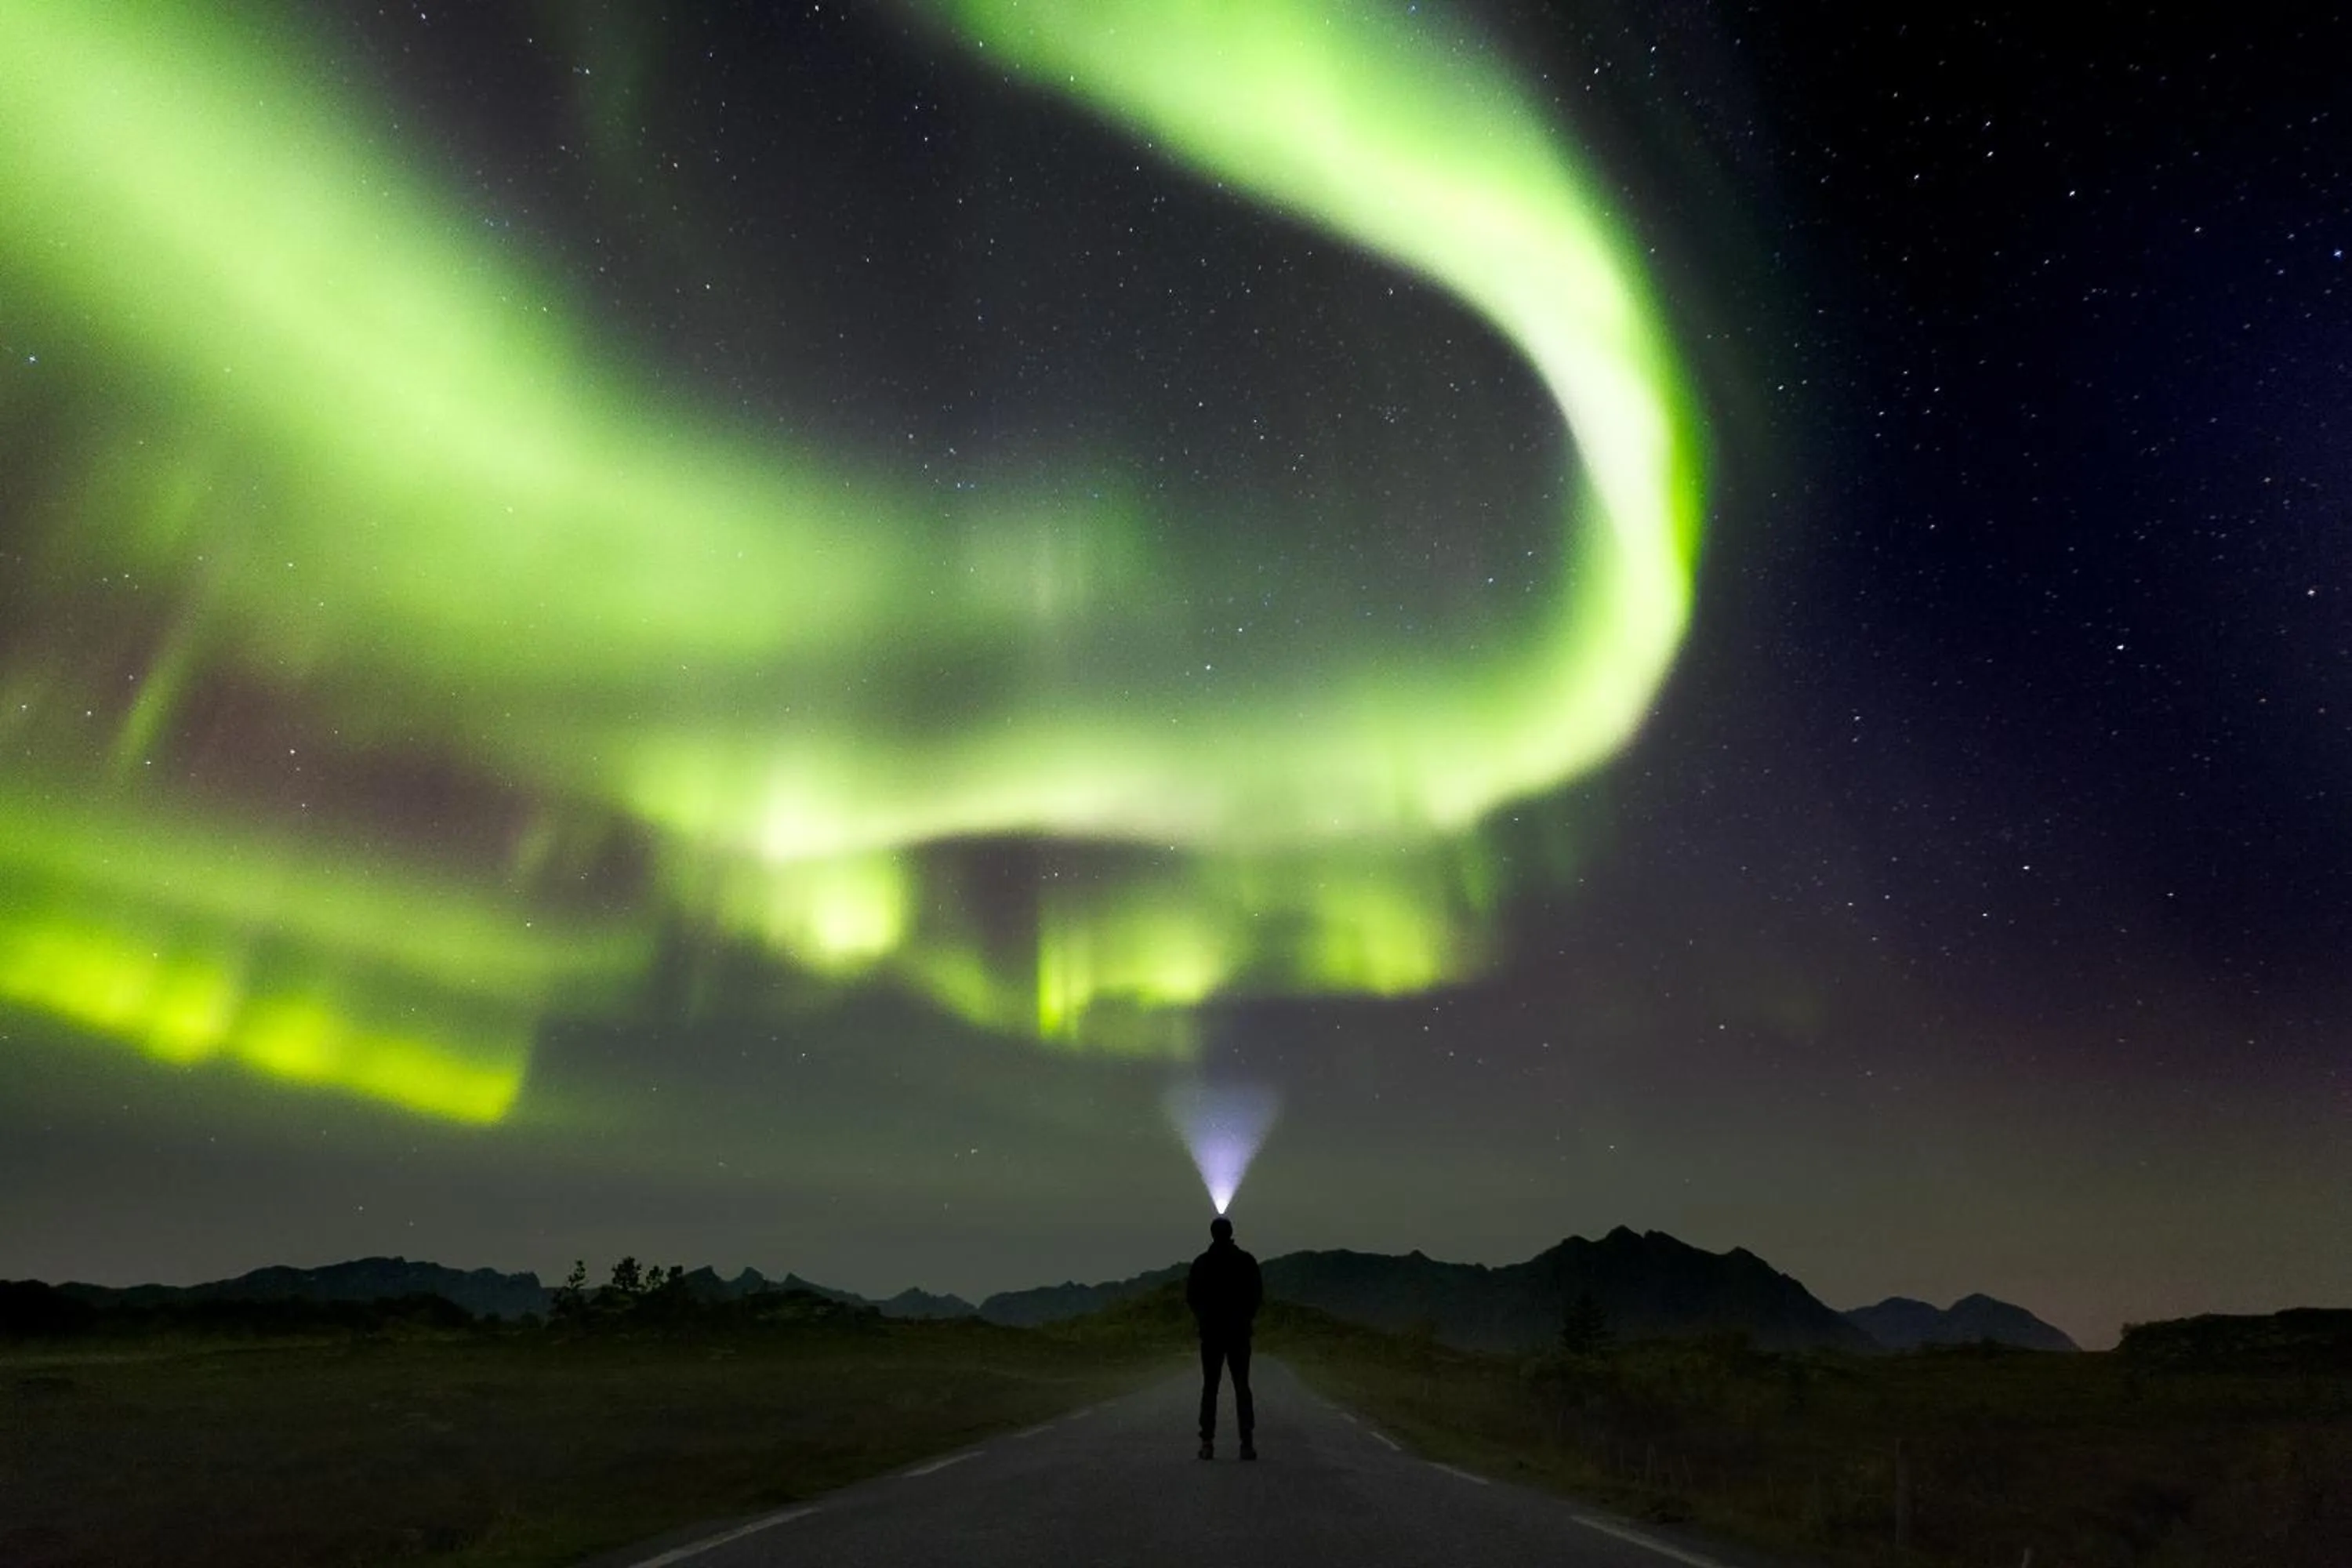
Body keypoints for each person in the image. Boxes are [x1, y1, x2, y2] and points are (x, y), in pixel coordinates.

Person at [1185, 1213, 1262, 1460]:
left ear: (1212, 1234)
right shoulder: (1246, 1261)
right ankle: (1246, 1443)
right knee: (1242, 1387)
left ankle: (1207, 1442)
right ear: (1230, 1233)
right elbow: (1256, 1295)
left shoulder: (1201, 1263)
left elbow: (1192, 1297)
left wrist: (1204, 1319)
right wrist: (1245, 1318)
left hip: (1211, 1334)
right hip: (1239, 1334)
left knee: (1210, 1387)